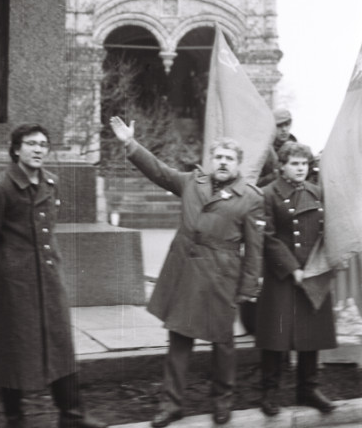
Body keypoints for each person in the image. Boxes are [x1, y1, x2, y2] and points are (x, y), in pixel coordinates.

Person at [110, 116, 265, 427]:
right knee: (179, 340)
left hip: (222, 278)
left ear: (238, 164)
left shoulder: (250, 198)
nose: (222, 162)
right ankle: (171, 404)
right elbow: (159, 172)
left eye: (229, 158)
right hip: (186, 273)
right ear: (210, 160)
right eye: (218, 157)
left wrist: (248, 289)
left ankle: (222, 401)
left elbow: (255, 249)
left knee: (222, 344)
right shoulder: (193, 183)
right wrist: (131, 143)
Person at [0, 123, 107, 428]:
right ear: (16, 149)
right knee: (14, 349)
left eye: (43, 144)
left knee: (60, 342)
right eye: (31, 143)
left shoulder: (51, 182)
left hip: (49, 277)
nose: (38, 150)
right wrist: (14, 266)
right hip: (15, 284)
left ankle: (72, 415)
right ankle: (15, 419)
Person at [256, 141, 336, 417]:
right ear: (282, 166)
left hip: (313, 273)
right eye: (295, 163)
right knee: (275, 335)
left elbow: (327, 231)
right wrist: (293, 268)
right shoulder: (268, 193)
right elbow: (267, 236)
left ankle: (307, 389)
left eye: (304, 163)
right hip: (282, 275)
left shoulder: (317, 192)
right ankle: (269, 391)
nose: (300, 168)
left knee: (310, 334)